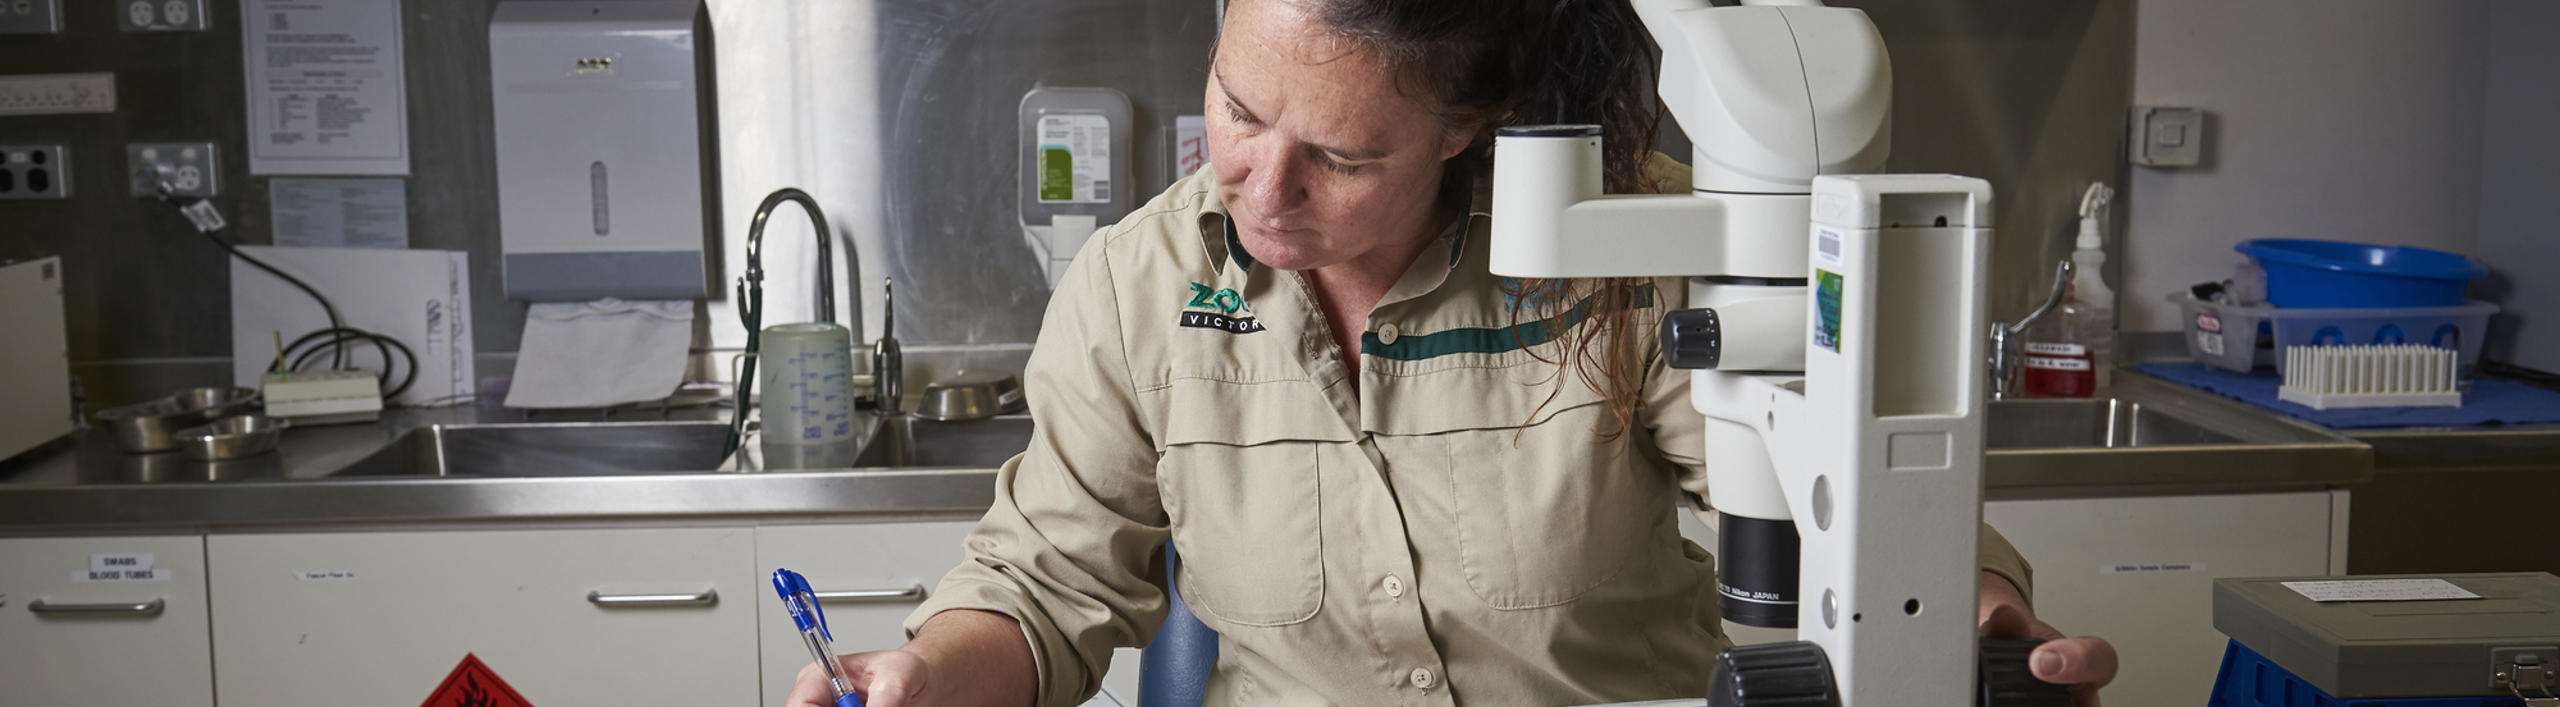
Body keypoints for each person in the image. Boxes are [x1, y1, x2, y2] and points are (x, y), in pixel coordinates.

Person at [791, 0, 2119, 704]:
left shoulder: (1639, 247)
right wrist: (922, 678)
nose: (1258, 184)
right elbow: (1042, 585)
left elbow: (1821, 498)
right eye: (1239, 108)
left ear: (1467, 126)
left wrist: (1968, 622)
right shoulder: (1141, 286)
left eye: (1343, 155)